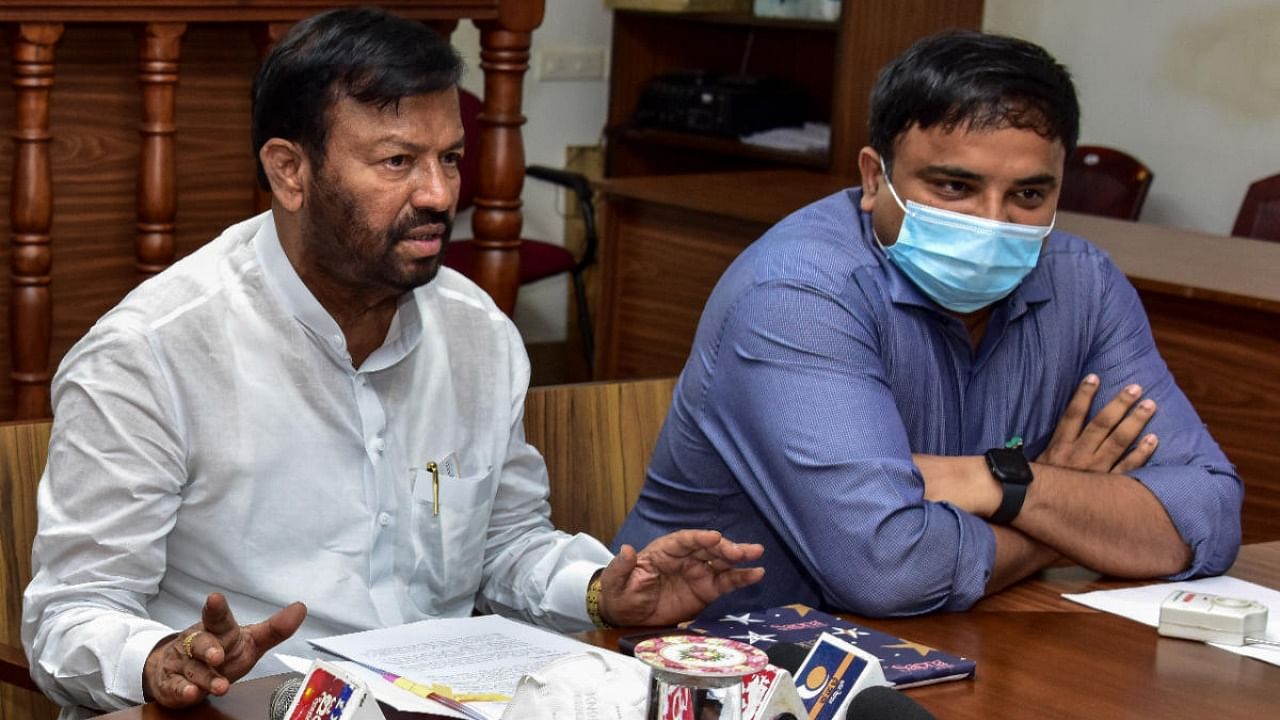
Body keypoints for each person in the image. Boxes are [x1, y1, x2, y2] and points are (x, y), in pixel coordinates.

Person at [21, 8, 764, 718]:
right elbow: (68, 615)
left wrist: (602, 589)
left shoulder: (478, 334)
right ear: (290, 172)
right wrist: (157, 658)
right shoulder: (152, 353)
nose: (439, 194)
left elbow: (505, 545)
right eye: (398, 161)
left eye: (448, 159)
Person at [613, 30, 1241, 617]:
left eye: (1028, 195)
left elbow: (1208, 515)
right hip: (728, 668)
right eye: (954, 186)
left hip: (960, 650)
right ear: (872, 177)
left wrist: (998, 482)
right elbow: (887, 569)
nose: (992, 221)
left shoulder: (1085, 282)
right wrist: (1069, 514)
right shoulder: (798, 291)